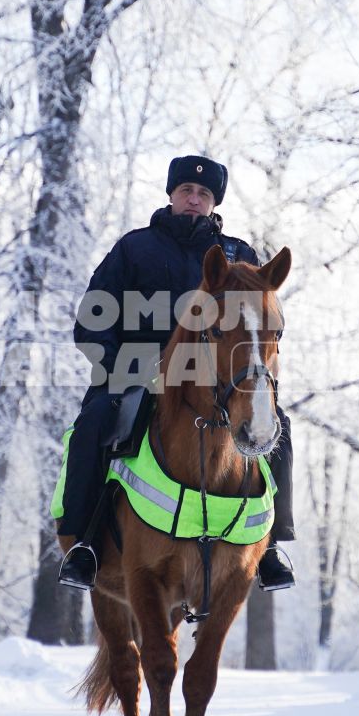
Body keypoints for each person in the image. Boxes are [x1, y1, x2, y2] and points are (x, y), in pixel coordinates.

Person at [55, 155, 296, 591]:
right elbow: (92, 317)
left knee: (279, 427)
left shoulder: (239, 255)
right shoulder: (134, 247)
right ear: (171, 194)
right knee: (93, 423)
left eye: (204, 194)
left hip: (215, 382)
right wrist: (118, 368)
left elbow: (259, 325)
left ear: (213, 203)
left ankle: (273, 547)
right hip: (136, 374)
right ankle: (83, 544)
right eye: (186, 190)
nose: (194, 198)